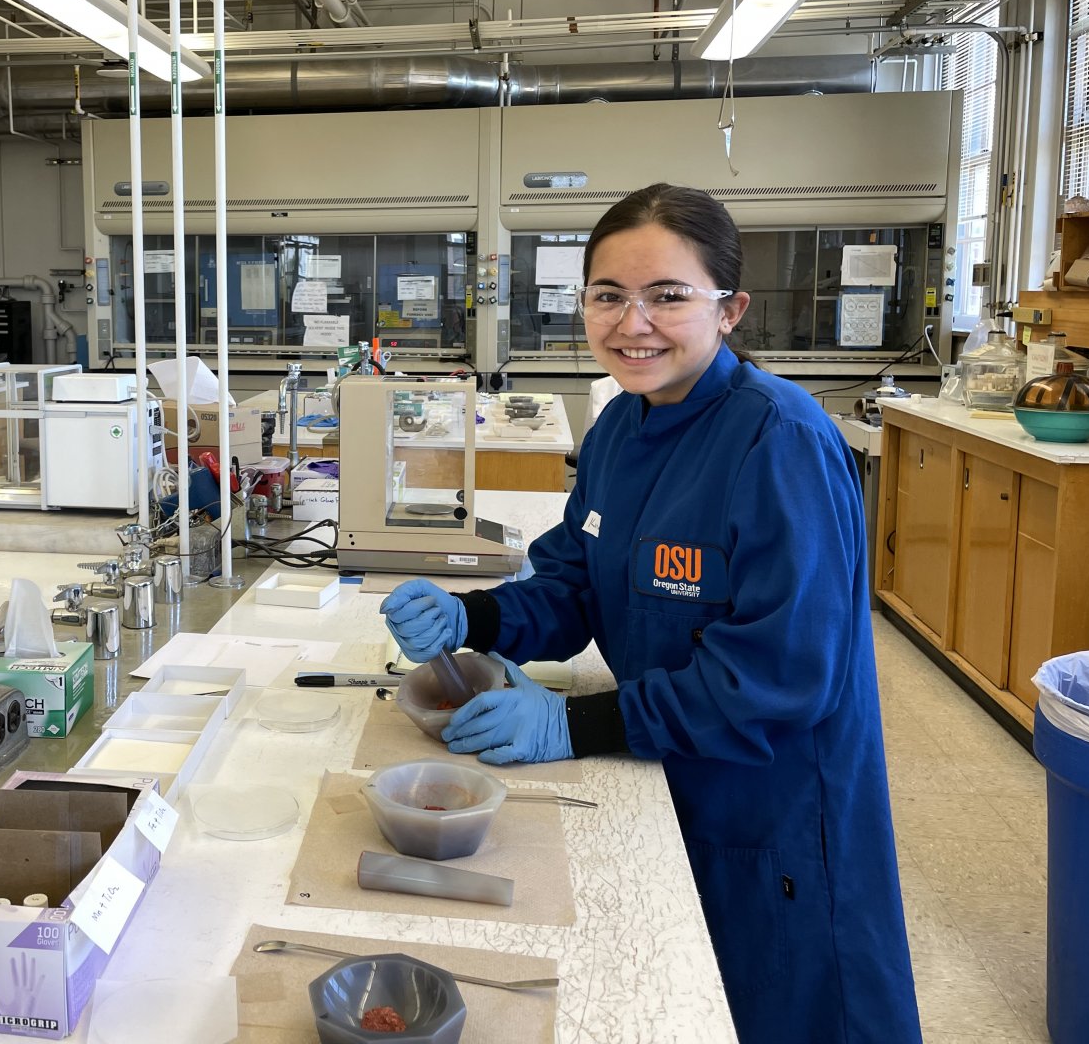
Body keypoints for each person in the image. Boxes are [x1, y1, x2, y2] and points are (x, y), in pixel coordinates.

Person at [381, 183, 920, 1043]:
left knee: (788, 1008)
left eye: (668, 296)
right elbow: (574, 586)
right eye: (608, 296)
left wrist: (576, 721)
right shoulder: (620, 430)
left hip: (771, 813)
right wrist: (469, 619)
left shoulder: (779, 441)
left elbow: (778, 679)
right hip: (667, 774)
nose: (633, 323)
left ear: (730, 308)